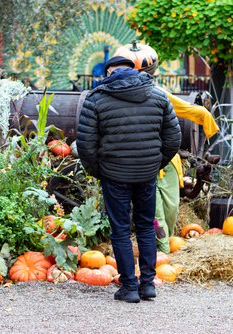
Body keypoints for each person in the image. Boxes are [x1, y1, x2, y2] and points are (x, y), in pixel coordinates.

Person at [76, 56, 181, 303]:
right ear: (133, 70)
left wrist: (99, 171)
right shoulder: (158, 95)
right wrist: (154, 164)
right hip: (147, 174)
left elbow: (85, 144)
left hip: (114, 175)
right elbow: (173, 139)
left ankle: (129, 288)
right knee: (145, 226)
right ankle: (147, 285)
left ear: (110, 71)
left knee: (121, 230)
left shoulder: (96, 99)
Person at [136, 54, 219, 254]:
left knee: (172, 208)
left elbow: (185, 108)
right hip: (145, 164)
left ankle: (167, 244)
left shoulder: (159, 94)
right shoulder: (125, 100)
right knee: (155, 212)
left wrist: (206, 117)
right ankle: (163, 251)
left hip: (169, 162)